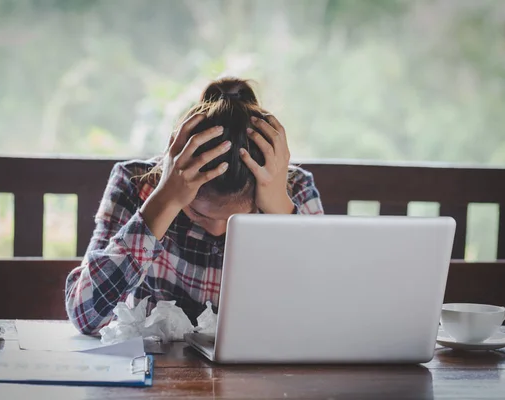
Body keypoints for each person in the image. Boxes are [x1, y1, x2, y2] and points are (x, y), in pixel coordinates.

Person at [65, 77, 324, 334]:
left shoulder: (294, 188)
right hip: (158, 370)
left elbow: (324, 314)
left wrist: (282, 213)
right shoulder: (136, 184)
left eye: (239, 219)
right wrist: (164, 201)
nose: (217, 230)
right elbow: (86, 316)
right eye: (198, 214)